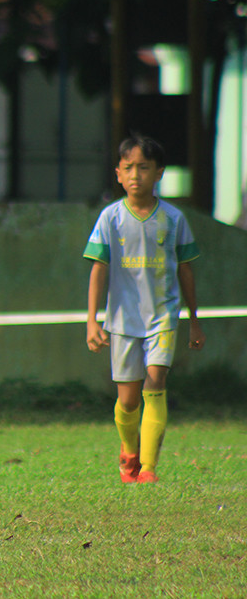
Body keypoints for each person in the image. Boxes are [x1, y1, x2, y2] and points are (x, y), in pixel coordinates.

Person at [84, 134, 205, 484]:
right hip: (122, 321)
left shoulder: (174, 218)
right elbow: (98, 268)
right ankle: (129, 450)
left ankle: (148, 468)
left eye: (143, 167)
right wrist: (92, 321)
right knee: (128, 402)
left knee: (156, 383)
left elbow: (186, 269)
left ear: (159, 173)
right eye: (128, 168)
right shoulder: (110, 218)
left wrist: (194, 320)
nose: (135, 175)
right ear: (118, 175)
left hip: (163, 317)